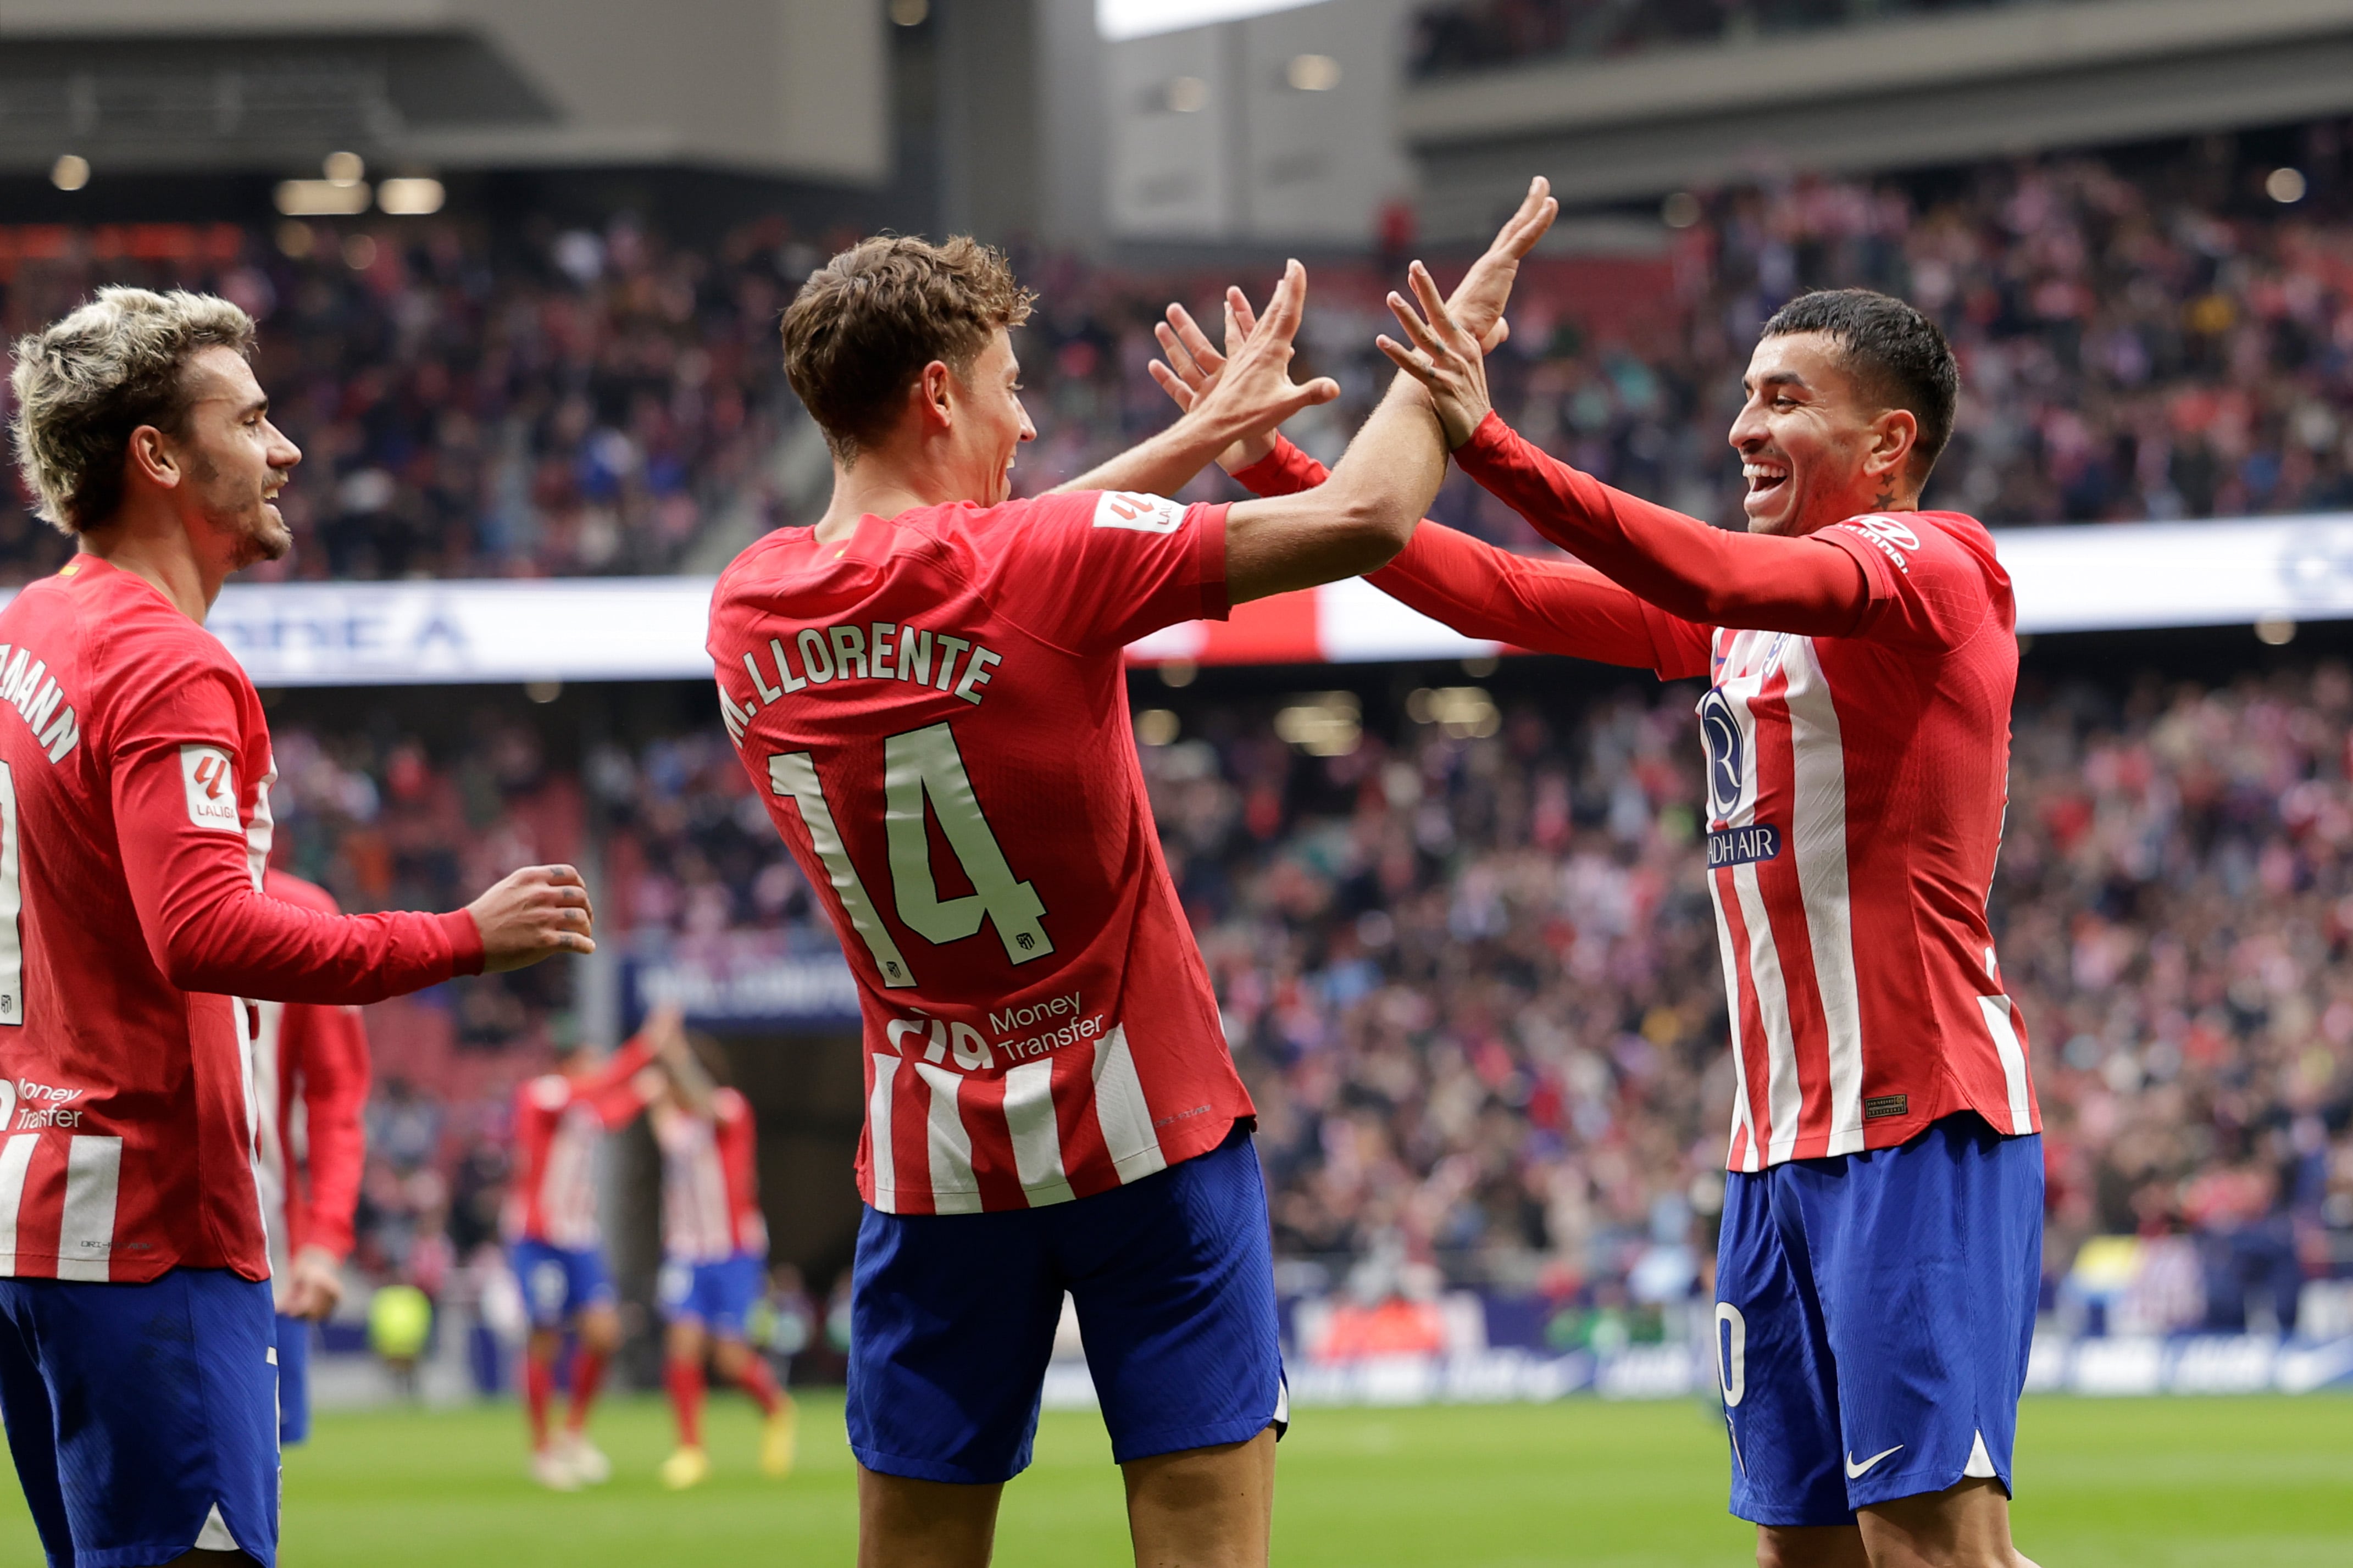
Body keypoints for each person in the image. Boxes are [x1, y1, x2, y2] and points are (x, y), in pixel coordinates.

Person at [704, 181, 1557, 1568]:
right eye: (1008, 388)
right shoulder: (1043, 560)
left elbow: (982, 562)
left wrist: (1193, 436)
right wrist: (1444, 364)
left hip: (934, 1166)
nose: (1027, 425)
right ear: (936, 393)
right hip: (1147, 1140)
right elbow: (1365, 518)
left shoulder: (746, 602)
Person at [1157, 281, 2041, 1568]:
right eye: (1744, 391)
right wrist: (1268, 460)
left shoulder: (1932, 564)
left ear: (1886, 445)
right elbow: (1493, 592)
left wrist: (1486, 437)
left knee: (1934, 1549)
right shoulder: (1741, 620)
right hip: (1772, 1153)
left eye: (1781, 398)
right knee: (1801, 1553)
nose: (1740, 424)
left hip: (1917, 1127)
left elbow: (1700, 558)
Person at [0, 286, 593, 1568]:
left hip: (36, 1217)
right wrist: (457, 937)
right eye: (253, 419)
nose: (288, 450)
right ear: (157, 456)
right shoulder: (164, 662)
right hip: (152, 1227)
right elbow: (203, 931)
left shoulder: (26, 629)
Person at [501, 1004, 673, 1491]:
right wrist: (646, 1050)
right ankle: (541, 1450)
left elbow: (610, 1112)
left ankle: (573, 1434)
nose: (597, 1066)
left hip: (579, 1238)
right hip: (539, 1238)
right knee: (545, 1338)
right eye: (591, 1058)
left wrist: (645, 1093)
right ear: (570, 1060)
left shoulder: (580, 1105)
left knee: (603, 1334)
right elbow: (599, 1090)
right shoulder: (544, 1093)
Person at [252, 867, 373, 1449]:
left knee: (248, 1491)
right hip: (102, 1247)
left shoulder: (302, 911)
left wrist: (323, 1241)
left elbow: (335, 1097)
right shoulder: (96, 877)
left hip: (264, 1252)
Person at [649, 1031, 796, 1489]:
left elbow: (706, 1104)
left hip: (734, 1251)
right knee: (683, 1345)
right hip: (687, 1254)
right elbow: (662, 1122)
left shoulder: (730, 1106)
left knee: (731, 1360)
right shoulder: (676, 1121)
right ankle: (690, 1450)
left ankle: (776, 1411)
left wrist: (674, 1059)